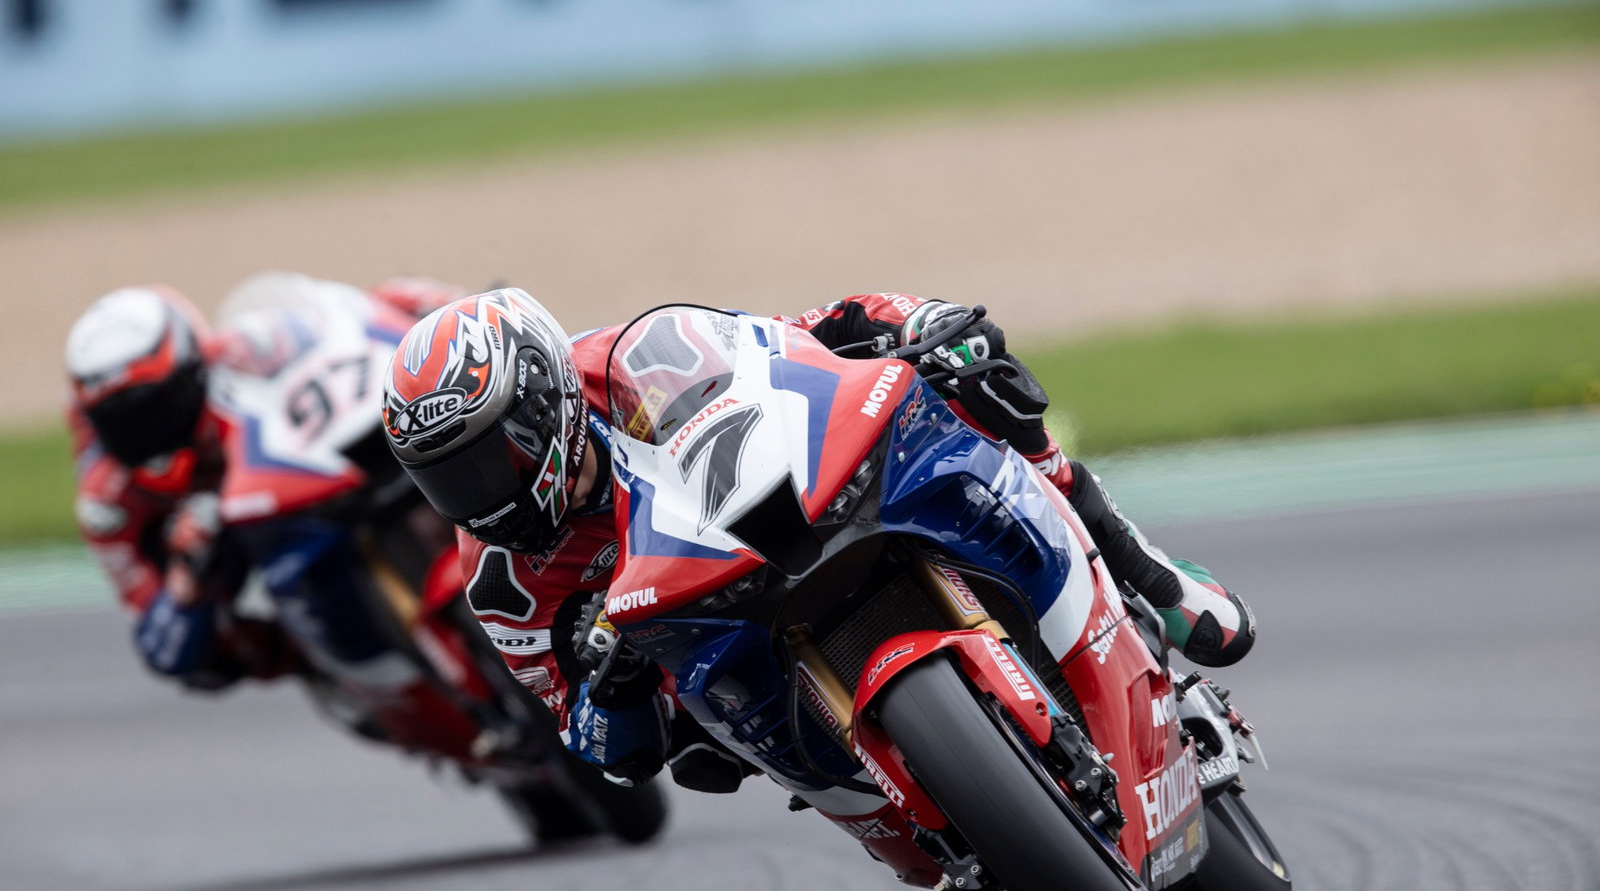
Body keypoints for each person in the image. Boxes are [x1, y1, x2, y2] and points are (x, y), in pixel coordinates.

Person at [381, 289, 1256, 786]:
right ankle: (911, 800)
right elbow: (600, 748)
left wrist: (911, 326)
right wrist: (609, 691)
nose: (475, 494)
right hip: (719, 643)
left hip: (781, 506)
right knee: (693, 758)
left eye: (488, 458)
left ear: (544, 403)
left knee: (977, 371)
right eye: (445, 478)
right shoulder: (498, 580)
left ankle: (1150, 578)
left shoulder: (624, 358)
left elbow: (802, 337)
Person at [67, 272, 463, 694]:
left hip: (297, 480)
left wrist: (433, 310)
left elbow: (330, 328)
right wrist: (187, 580)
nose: (144, 430)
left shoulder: (232, 354)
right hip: (227, 545)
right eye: (121, 422)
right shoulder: (107, 501)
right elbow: (162, 647)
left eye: (155, 406)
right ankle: (333, 669)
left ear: (192, 368)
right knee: (209, 663)